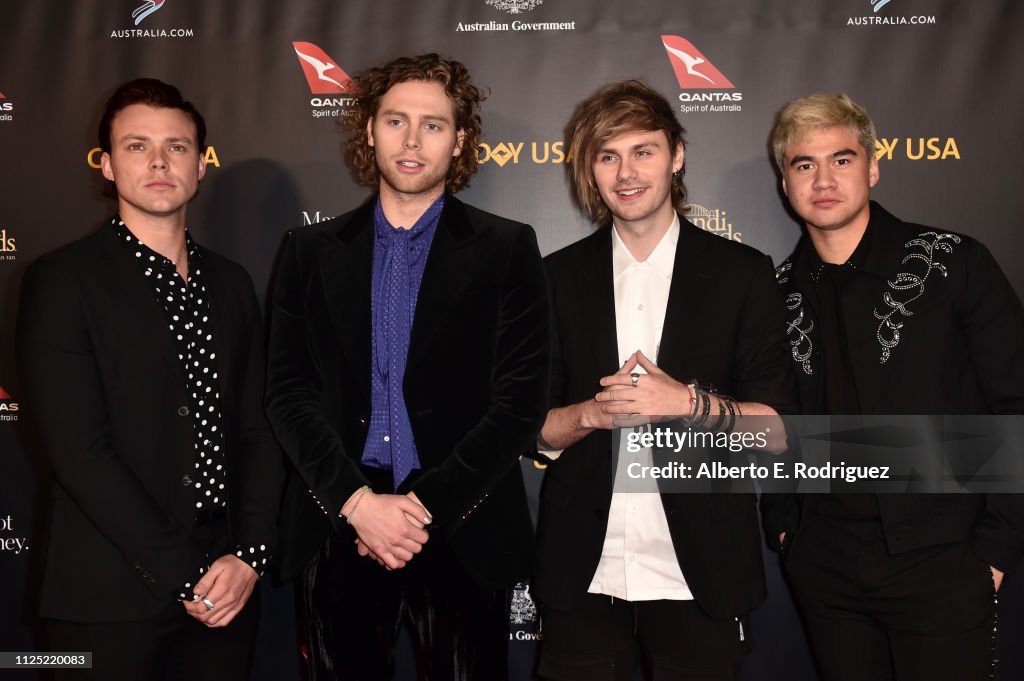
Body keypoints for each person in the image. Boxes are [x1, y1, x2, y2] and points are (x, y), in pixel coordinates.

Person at [265, 53, 549, 680]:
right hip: (338, 520)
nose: (412, 140)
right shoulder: (308, 252)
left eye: (433, 124)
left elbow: (521, 401)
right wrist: (358, 504)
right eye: (396, 120)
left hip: (462, 519)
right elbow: (287, 393)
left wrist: (417, 510)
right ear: (369, 129)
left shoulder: (509, 248)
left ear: (460, 140)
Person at [16, 78, 281, 681]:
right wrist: (187, 573)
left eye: (177, 146)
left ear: (200, 165)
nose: (160, 161)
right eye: (138, 146)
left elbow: (258, 428)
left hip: (228, 583)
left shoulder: (232, 282)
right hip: (109, 593)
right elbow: (79, 453)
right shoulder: (62, 281)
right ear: (107, 166)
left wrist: (248, 555)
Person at [534, 79, 797, 681]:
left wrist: (686, 402)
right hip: (582, 575)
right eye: (607, 156)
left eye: (642, 151)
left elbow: (781, 433)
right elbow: (531, 428)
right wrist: (590, 415)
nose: (626, 172)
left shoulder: (743, 273)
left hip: (701, 575)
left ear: (676, 154)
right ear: (589, 170)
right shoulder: (556, 277)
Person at [764, 92, 1024, 681]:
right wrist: (787, 527)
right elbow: (775, 423)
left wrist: (997, 548)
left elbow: (1016, 403)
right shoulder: (775, 294)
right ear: (785, 182)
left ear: (873, 168)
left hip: (946, 559)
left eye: (843, 159)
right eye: (805, 164)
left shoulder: (953, 264)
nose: (824, 179)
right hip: (824, 565)